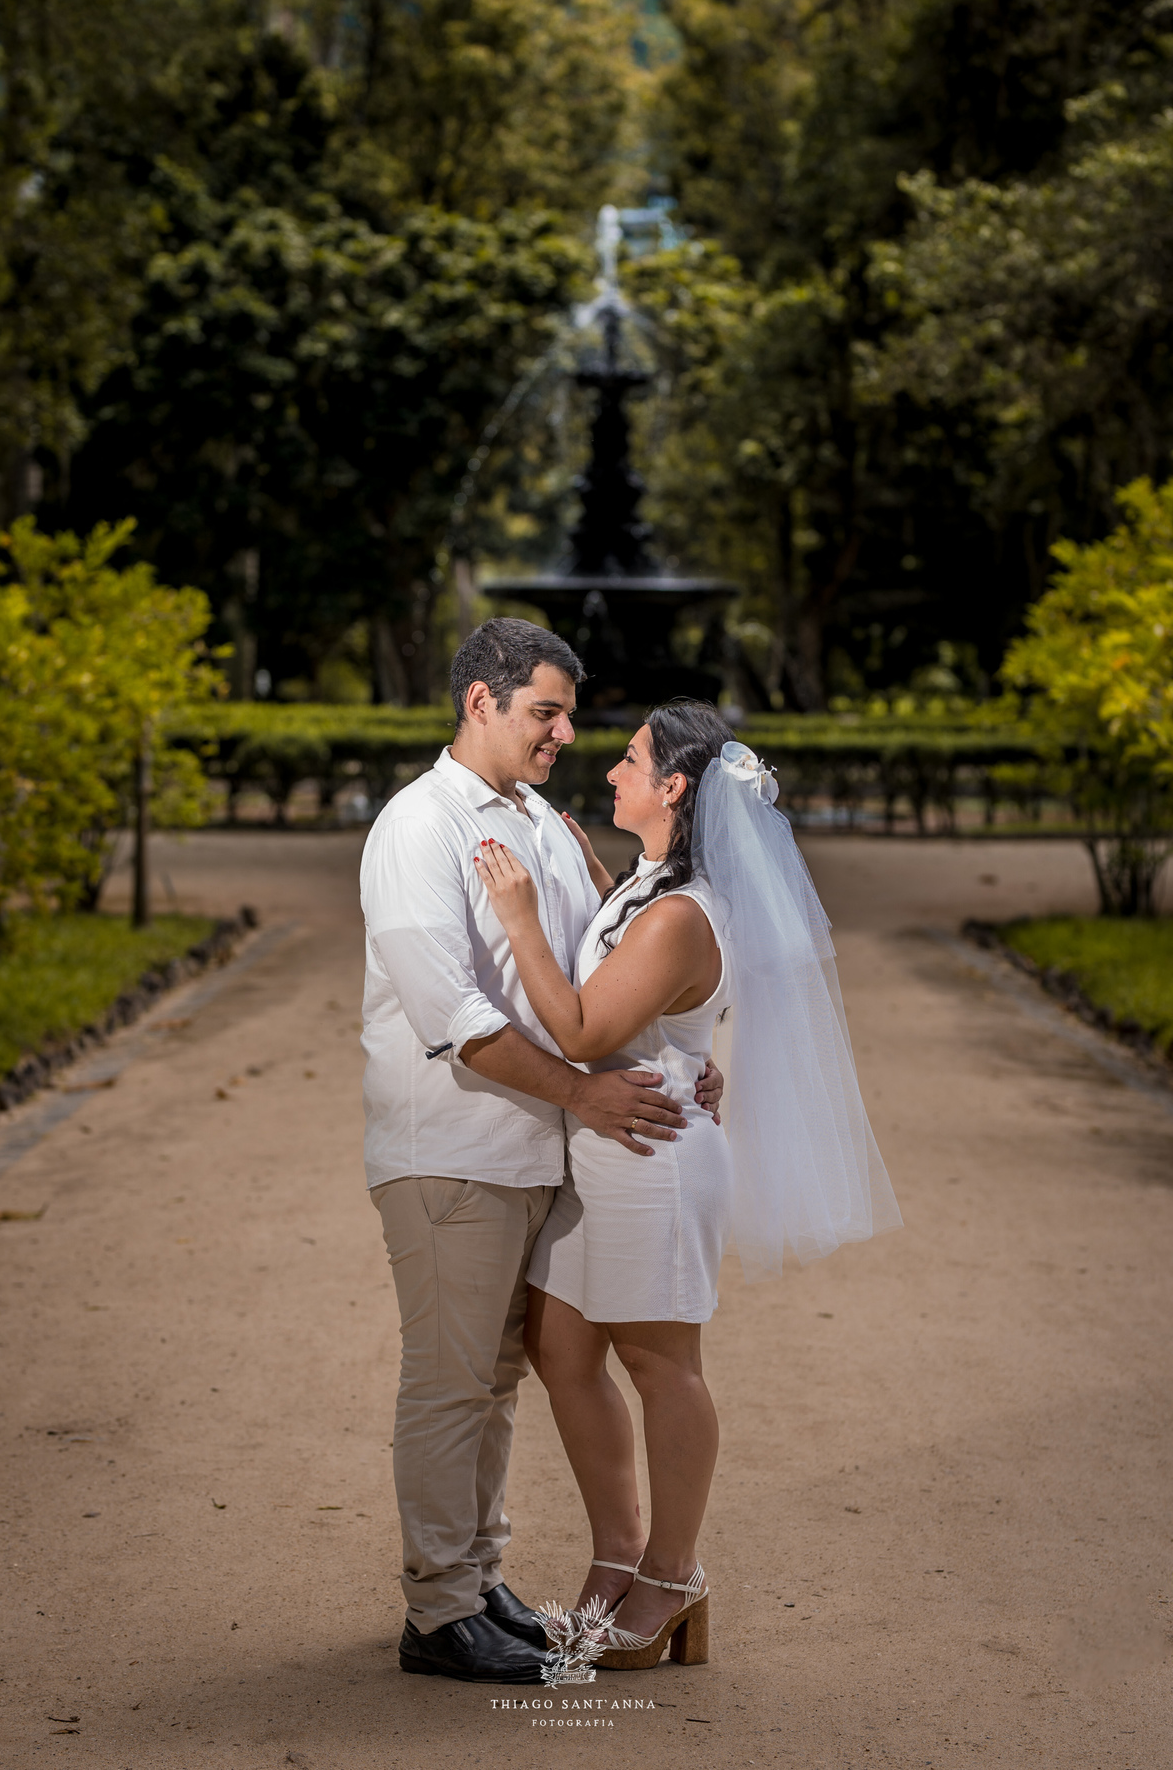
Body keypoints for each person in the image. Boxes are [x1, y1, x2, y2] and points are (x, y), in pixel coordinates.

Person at [473, 700, 902, 1673]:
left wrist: (518, 918)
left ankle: (673, 1579)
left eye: (630, 761)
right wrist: (585, 877)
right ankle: (618, 1553)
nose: (611, 771)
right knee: (561, 1346)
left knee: (663, 1367)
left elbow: (585, 1031)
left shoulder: (678, 913)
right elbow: (638, 980)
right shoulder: (652, 884)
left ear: (674, 788)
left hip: (654, 1163)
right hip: (614, 1152)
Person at [359, 620, 723, 1685]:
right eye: (545, 712)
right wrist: (585, 1095)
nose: (566, 730)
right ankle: (440, 1613)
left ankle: (476, 1584)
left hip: (543, 1154)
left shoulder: (546, 827)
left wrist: (684, 1053)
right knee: (449, 1380)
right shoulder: (417, 827)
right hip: (456, 1146)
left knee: (497, 1379)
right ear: (481, 700)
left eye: (568, 713)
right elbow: (455, 1015)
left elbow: (609, 965)